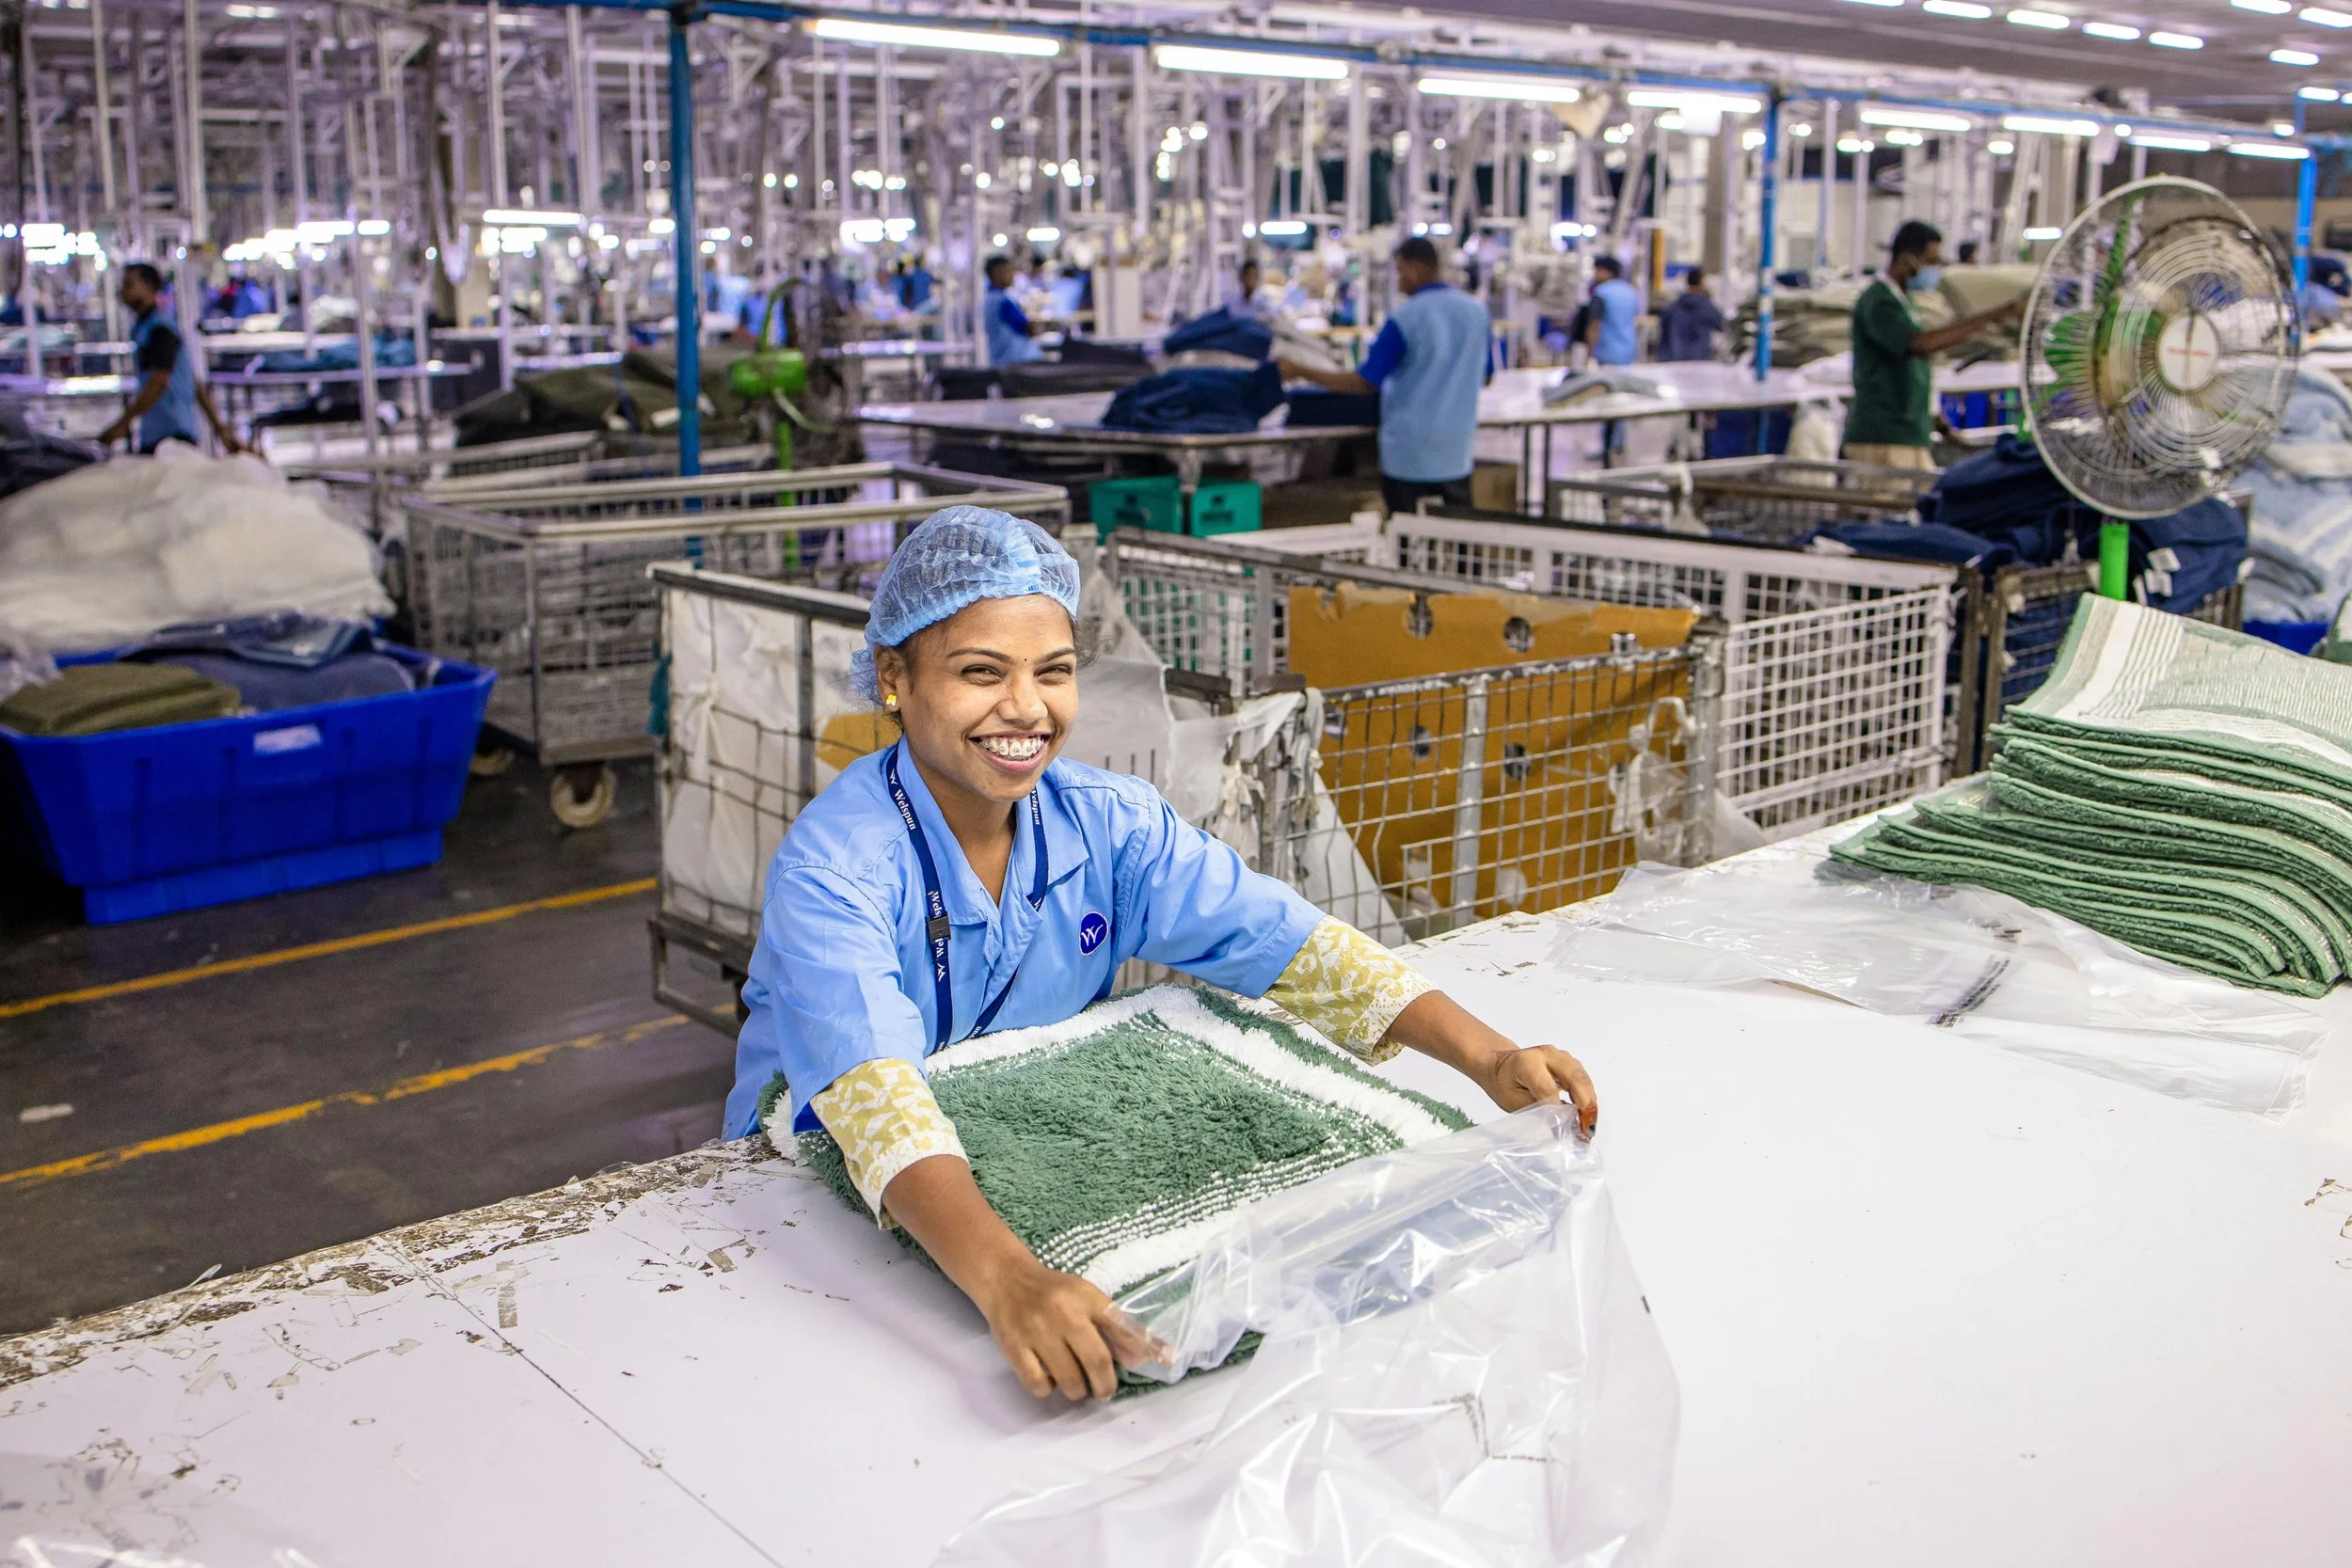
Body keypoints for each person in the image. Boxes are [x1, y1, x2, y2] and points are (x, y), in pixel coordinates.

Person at [728, 506, 1599, 1403]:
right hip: (823, 1201)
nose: (1025, 708)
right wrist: (1009, 1282)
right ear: (893, 678)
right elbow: (871, 1096)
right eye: (980, 672)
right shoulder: (834, 868)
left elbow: (1283, 940)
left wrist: (1487, 1055)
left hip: (1016, 1146)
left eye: (1053, 673)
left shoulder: (1108, 824)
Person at [1276, 236, 1492, 515]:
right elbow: (1486, 377)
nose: (1399, 281)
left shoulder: (1406, 318)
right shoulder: (1477, 313)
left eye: (1400, 272)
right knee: (1460, 536)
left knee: (1406, 537)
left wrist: (1300, 370)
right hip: (1456, 450)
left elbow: (1365, 381)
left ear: (1415, 269)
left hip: (1409, 453)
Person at [1843, 220, 2025, 471]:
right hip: (1884, 438)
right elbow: (1920, 344)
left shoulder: (1905, 302)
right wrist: (1993, 315)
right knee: (1886, 506)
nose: (1935, 270)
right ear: (1907, 258)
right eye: (1931, 261)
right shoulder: (1879, 302)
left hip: (1909, 436)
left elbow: (1912, 374)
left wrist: (1942, 426)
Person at [97, 262, 246, 455]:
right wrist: (220, 429)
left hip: (171, 433)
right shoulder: (145, 327)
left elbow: (159, 382)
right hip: (159, 430)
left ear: (149, 287)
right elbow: (193, 381)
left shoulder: (161, 329)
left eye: (129, 285)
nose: (123, 291)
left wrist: (120, 426)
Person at [981, 253, 1044, 366]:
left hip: (1002, 361)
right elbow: (1030, 329)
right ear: (997, 272)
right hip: (1018, 364)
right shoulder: (1002, 302)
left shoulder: (990, 299)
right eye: (1009, 271)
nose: (1013, 275)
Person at [1656, 267, 1724, 362]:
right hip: (1699, 360)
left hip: (1675, 360)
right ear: (1702, 283)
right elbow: (1721, 324)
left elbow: (1663, 335)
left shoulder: (1672, 308)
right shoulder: (1707, 308)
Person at [1223, 257, 1268, 321]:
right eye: (1247, 275)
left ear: (1257, 278)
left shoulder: (1264, 303)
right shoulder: (1233, 301)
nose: (1250, 279)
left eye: (1253, 275)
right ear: (1241, 277)